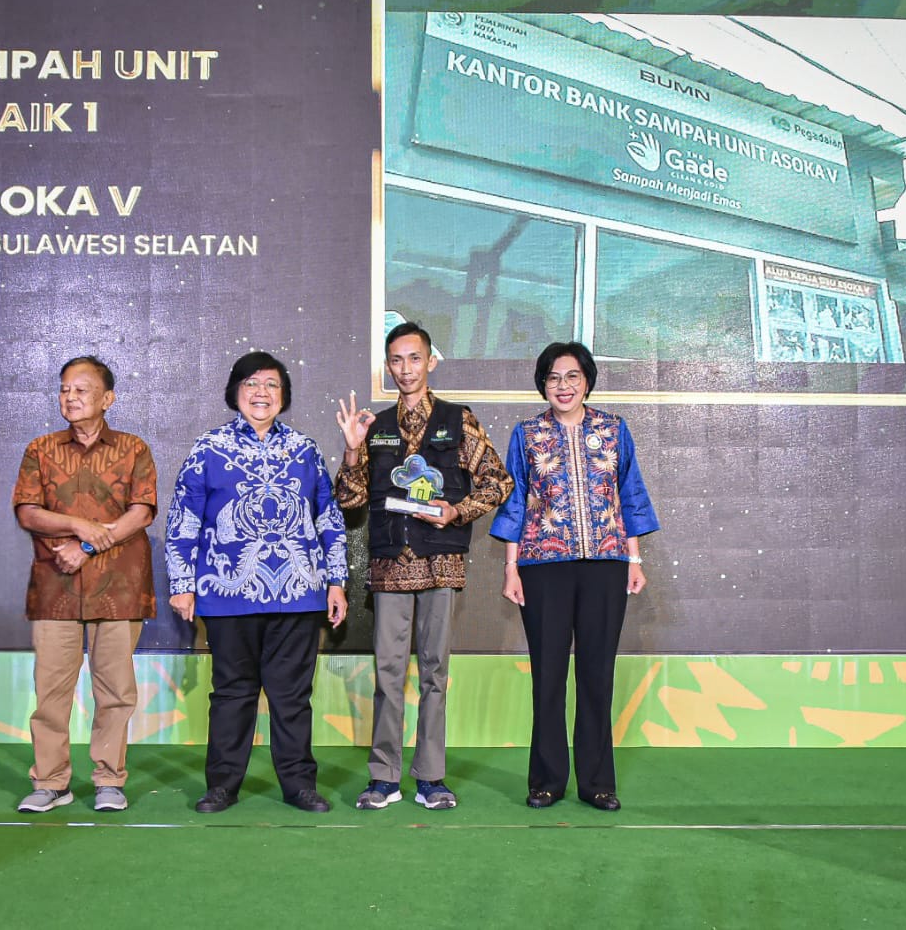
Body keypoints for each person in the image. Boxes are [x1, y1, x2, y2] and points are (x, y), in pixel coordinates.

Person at [334, 321, 512, 811]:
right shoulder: (376, 428)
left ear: (430, 362)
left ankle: (431, 778)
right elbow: (349, 500)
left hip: (442, 565)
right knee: (389, 672)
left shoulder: (459, 421)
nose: (405, 368)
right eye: (397, 360)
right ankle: (383, 778)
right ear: (387, 367)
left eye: (415, 358)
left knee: (435, 673)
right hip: (391, 566)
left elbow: (499, 482)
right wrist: (353, 446)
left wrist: (459, 510)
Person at [165, 352, 348, 813]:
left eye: (271, 384)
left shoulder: (304, 450)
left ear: (283, 395)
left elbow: (328, 518)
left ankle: (299, 786)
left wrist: (336, 581)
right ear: (235, 392)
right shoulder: (208, 448)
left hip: (299, 592)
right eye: (251, 383)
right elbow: (183, 519)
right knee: (232, 693)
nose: (260, 392)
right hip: (228, 593)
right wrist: (182, 581)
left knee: (292, 696)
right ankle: (222, 785)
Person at [489, 342, 659, 812]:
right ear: (542, 384)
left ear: (587, 380)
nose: (562, 386)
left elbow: (630, 494)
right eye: (553, 378)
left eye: (571, 376)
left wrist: (635, 559)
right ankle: (545, 780)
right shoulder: (526, 435)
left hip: (606, 566)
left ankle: (598, 782)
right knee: (547, 676)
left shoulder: (613, 429)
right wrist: (510, 567)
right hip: (543, 568)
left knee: (597, 675)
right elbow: (515, 502)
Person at [12, 356, 157, 814]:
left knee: (115, 693)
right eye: (64, 390)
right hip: (55, 589)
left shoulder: (134, 448)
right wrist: (78, 525)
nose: (70, 398)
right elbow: (27, 512)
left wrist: (91, 546)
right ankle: (51, 782)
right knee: (50, 693)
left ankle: (109, 781)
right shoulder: (41, 449)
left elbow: (142, 511)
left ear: (106, 399)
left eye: (81, 390)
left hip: (119, 587)